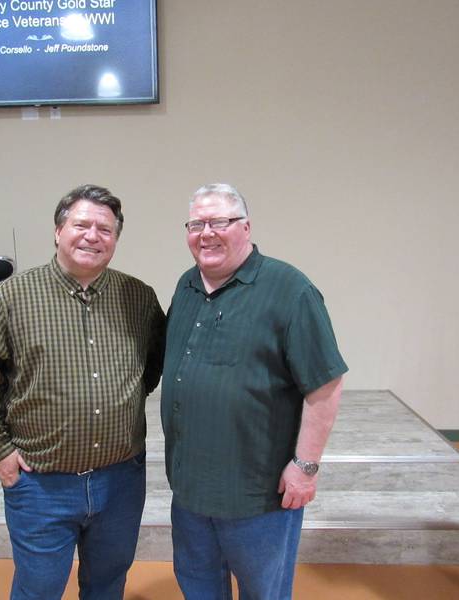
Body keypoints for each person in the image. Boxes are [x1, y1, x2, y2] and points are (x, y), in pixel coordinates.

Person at [0, 184, 165, 600]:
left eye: (105, 229)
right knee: (39, 589)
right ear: (57, 231)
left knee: (108, 584)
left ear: (116, 240)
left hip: (120, 481)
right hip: (40, 485)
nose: (92, 236)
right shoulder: (10, 298)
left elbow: (151, 367)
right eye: (81, 224)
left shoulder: (139, 298)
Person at [161, 183, 348, 599]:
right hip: (190, 491)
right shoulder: (187, 286)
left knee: (263, 592)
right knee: (198, 587)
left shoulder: (290, 290)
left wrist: (306, 466)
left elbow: (326, 384)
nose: (206, 233)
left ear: (245, 227)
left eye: (219, 222)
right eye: (196, 224)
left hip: (257, 496)